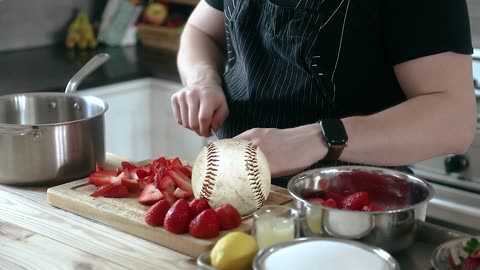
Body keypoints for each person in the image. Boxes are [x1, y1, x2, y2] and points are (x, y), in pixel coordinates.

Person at [171, 0, 477, 185]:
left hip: (348, 213)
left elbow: (453, 120)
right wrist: (202, 80)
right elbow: (201, 32)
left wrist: (320, 138)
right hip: (231, 195)